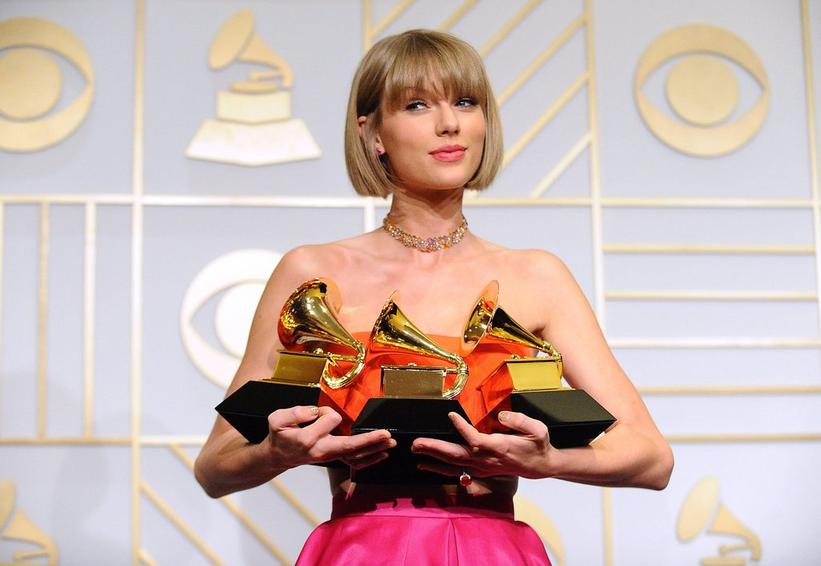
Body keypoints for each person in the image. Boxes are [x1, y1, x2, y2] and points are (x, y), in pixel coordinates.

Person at [194, 29, 674, 565]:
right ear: (372, 132)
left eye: (466, 102)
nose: (450, 123)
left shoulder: (537, 276)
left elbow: (651, 459)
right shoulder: (312, 273)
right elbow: (215, 466)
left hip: (489, 548)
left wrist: (547, 460)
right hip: (359, 550)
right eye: (417, 105)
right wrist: (274, 453)